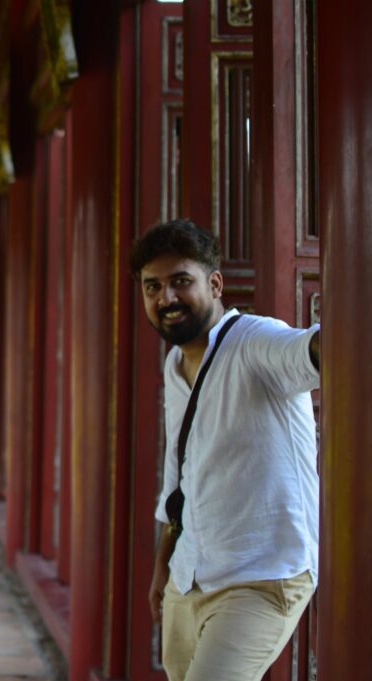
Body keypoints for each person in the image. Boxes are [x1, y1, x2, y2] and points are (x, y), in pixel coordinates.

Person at [129, 219, 321, 681]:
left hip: (260, 575)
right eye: (152, 287)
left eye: (180, 282)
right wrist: (164, 565)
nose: (166, 299)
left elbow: (308, 352)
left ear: (214, 284)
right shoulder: (176, 363)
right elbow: (180, 476)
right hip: (190, 572)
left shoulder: (255, 341)